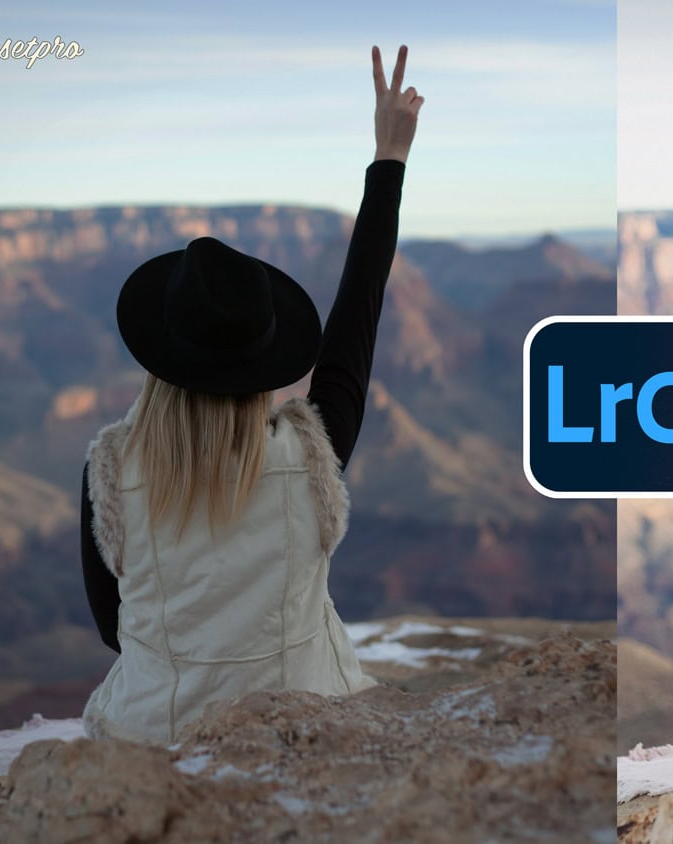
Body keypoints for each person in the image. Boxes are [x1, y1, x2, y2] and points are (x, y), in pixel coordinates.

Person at [77, 46, 425, 744]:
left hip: (153, 737)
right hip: (303, 729)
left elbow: (115, 626)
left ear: (161, 357)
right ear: (264, 360)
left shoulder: (110, 472)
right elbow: (358, 314)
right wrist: (389, 157)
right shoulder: (314, 451)